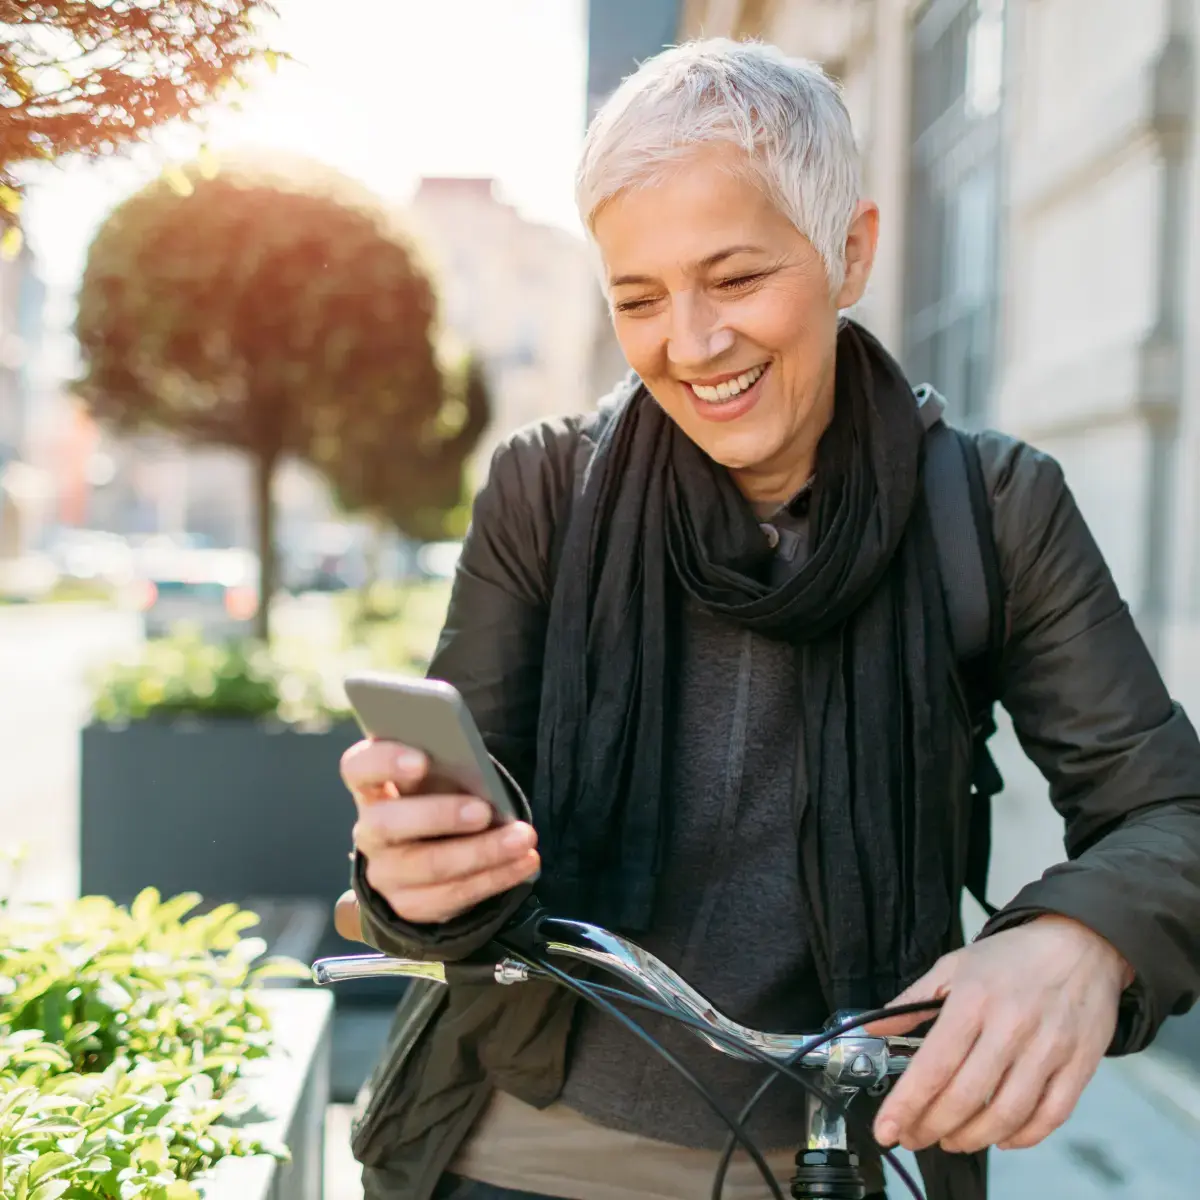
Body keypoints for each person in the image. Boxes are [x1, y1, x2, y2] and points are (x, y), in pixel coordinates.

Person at [336, 38, 1200, 1200]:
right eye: (639, 299)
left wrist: (1079, 939)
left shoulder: (992, 506)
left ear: (851, 250)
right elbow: (460, 852)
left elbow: (1168, 813)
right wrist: (411, 882)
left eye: (736, 279)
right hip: (503, 1140)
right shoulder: (545, 488)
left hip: (827, 1157)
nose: (690, 345)